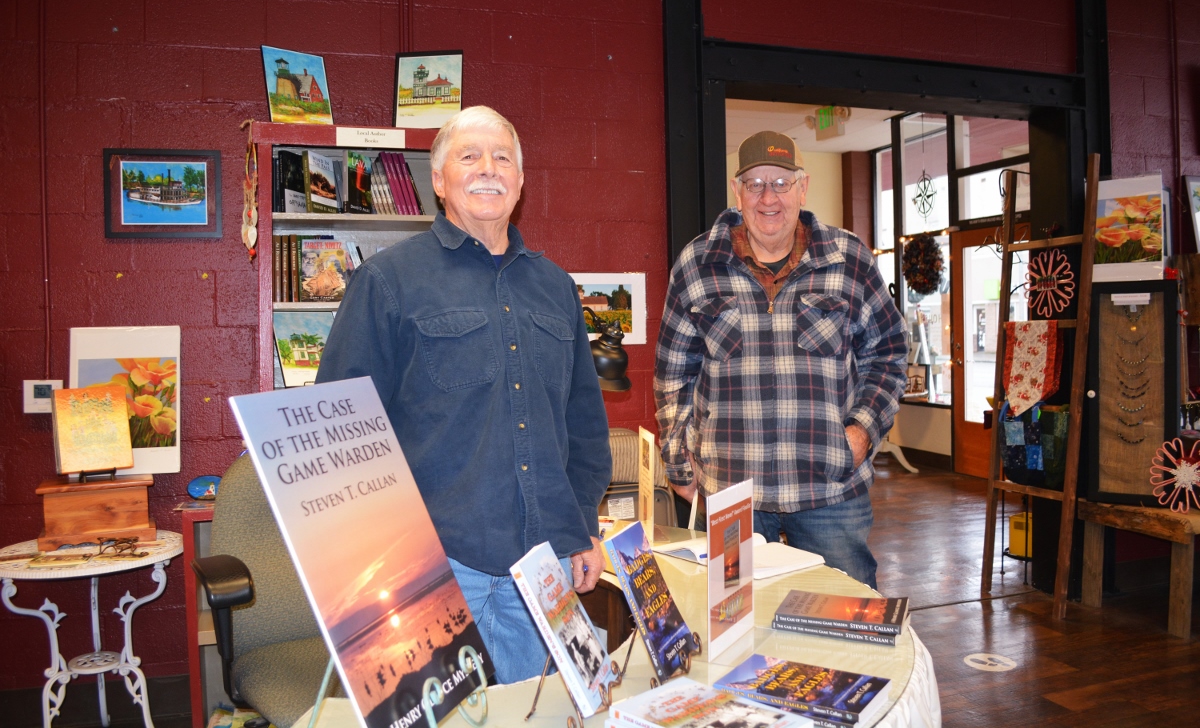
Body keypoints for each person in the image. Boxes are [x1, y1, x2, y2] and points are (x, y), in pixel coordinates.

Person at [316, 105, 613, 682]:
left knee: (539, 720)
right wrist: (382, 568)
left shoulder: (556, 288)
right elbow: (342, 433)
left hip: (543, 565)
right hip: (437, 571)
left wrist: (583, 527)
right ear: (438, 179)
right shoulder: (387, 282)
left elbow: (583, 425)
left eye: (503, 157)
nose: (488, 169)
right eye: (469, 156)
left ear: (521, 181)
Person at [653, 130, 907, 589]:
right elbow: (673, 373)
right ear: (738, 192)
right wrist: (677, 465)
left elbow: (889, 354)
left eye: (781, 182)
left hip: (830, 489)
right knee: (735, 630)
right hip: (732, 495)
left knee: (844, 628)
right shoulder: (697, 264)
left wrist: (862, 431)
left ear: (802, 187)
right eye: (755, 184)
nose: (768, 197)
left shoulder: (849, 260)